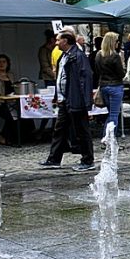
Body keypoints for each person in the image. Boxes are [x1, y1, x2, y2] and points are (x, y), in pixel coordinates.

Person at [39, 31, 95, 171]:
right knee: (59, 129)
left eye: (58, 40)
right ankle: (54, 159)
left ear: (65, 41)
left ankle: (88, 160)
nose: (56, 42)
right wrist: (57, 95)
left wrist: (86, 102)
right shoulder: (64, 56)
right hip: (65, 99)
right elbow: (61, 78)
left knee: (81, 131)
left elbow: (85, 78)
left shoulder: (78, 56)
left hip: (75, 100)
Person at [95, 32, 125, 140]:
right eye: (117, 41)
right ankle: (108, 138)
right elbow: (121, 74)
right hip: (115, 86)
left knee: (111, 113)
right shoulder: (115, 56)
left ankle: (106, 137)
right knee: (114, 115)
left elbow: (97, 71)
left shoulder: (99, 55)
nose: (118, 43)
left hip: (104, 86)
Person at [0, 54, 16, 146]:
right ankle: (2, 137)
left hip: (11, 101)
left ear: (7, 64)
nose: (1, 64)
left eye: (4, 62)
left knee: (23, 114)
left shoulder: (10, 75)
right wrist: (2, 98)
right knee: (10, 117)